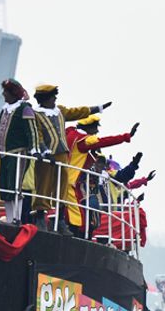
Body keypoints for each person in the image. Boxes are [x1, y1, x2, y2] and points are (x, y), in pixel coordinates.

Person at [30, 84, 111, 228]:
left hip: (61, 154)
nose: (55, 98)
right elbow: (38, 135)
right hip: (46, 155)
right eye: (52, 96)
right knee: (44, 184)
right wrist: (44, 151)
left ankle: (61, 219)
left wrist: (98, 108)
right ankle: (40, 217)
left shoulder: (59, 111)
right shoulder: (36, 114)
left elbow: (77, 112)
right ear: (45, 99)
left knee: (62, 184)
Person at [62, 115, 136, 234]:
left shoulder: (70, 134)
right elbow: (105, 141)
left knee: (76, 209)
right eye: (95, 128)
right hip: (72, 181)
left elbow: (121, 176)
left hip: (64, 177)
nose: (97, 131)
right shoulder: (85, 140)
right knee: (78, 216)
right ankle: (75, 232)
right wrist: (126, 137)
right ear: (89, 127)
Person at [0, 79, 38, 223]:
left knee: (15, 186)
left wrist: (34, 149)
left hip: (18, 153)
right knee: (5, 187)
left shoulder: (25, 108)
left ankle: (16, 218)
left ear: (12, 94)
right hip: (4, 155)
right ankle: (10, 217)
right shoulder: (5, 109)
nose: (3, 94)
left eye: (6, 91)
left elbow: (32, 130)